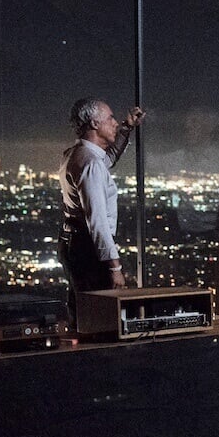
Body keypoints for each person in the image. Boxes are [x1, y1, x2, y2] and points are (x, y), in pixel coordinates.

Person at [58, 97, 146, 315]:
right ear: (95, 124)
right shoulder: (90, 164)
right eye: (110, 118)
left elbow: (108, 159)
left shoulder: (76, 154)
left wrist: (127, 128)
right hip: (87, 248)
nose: (115, 122)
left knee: (82, 310)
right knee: (97, 314)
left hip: (74, 242)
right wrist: (115, 267)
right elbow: (97, 222)